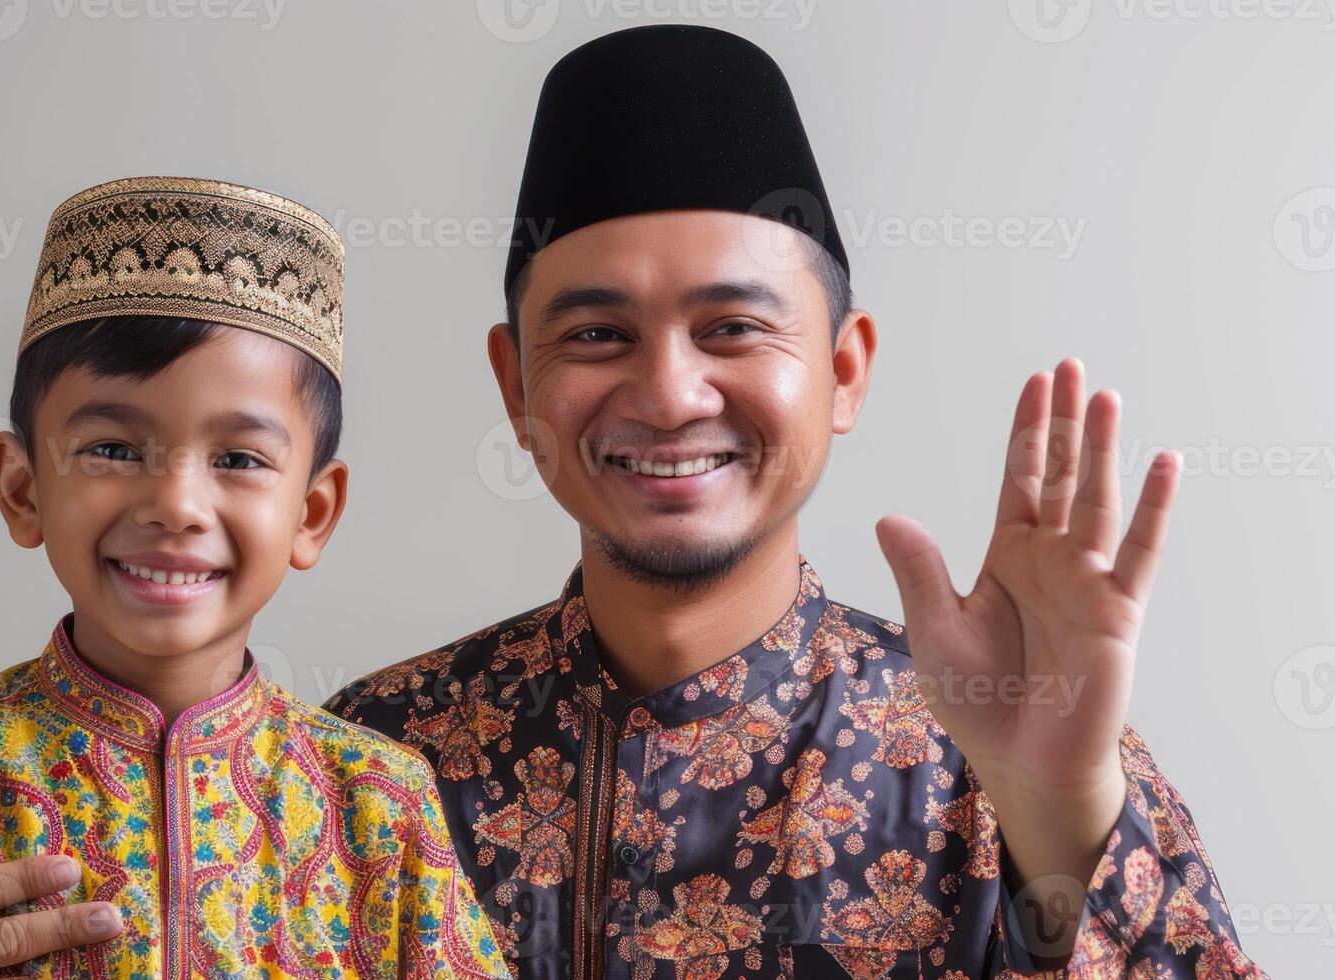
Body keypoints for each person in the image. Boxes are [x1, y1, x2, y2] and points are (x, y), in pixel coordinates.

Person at [324, 26, 1266, 979]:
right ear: (515, 387)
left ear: (842, 369)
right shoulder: (375, 758)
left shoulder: (997, 744)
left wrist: (1059, 819)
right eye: (600, 334)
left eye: (732, 327)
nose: (668, 395)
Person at [0, 176, 509, 979]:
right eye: (112, 449)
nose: (175, 505)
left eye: (238, 460)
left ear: (311, 513)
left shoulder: (376, 801)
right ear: (21, 487)